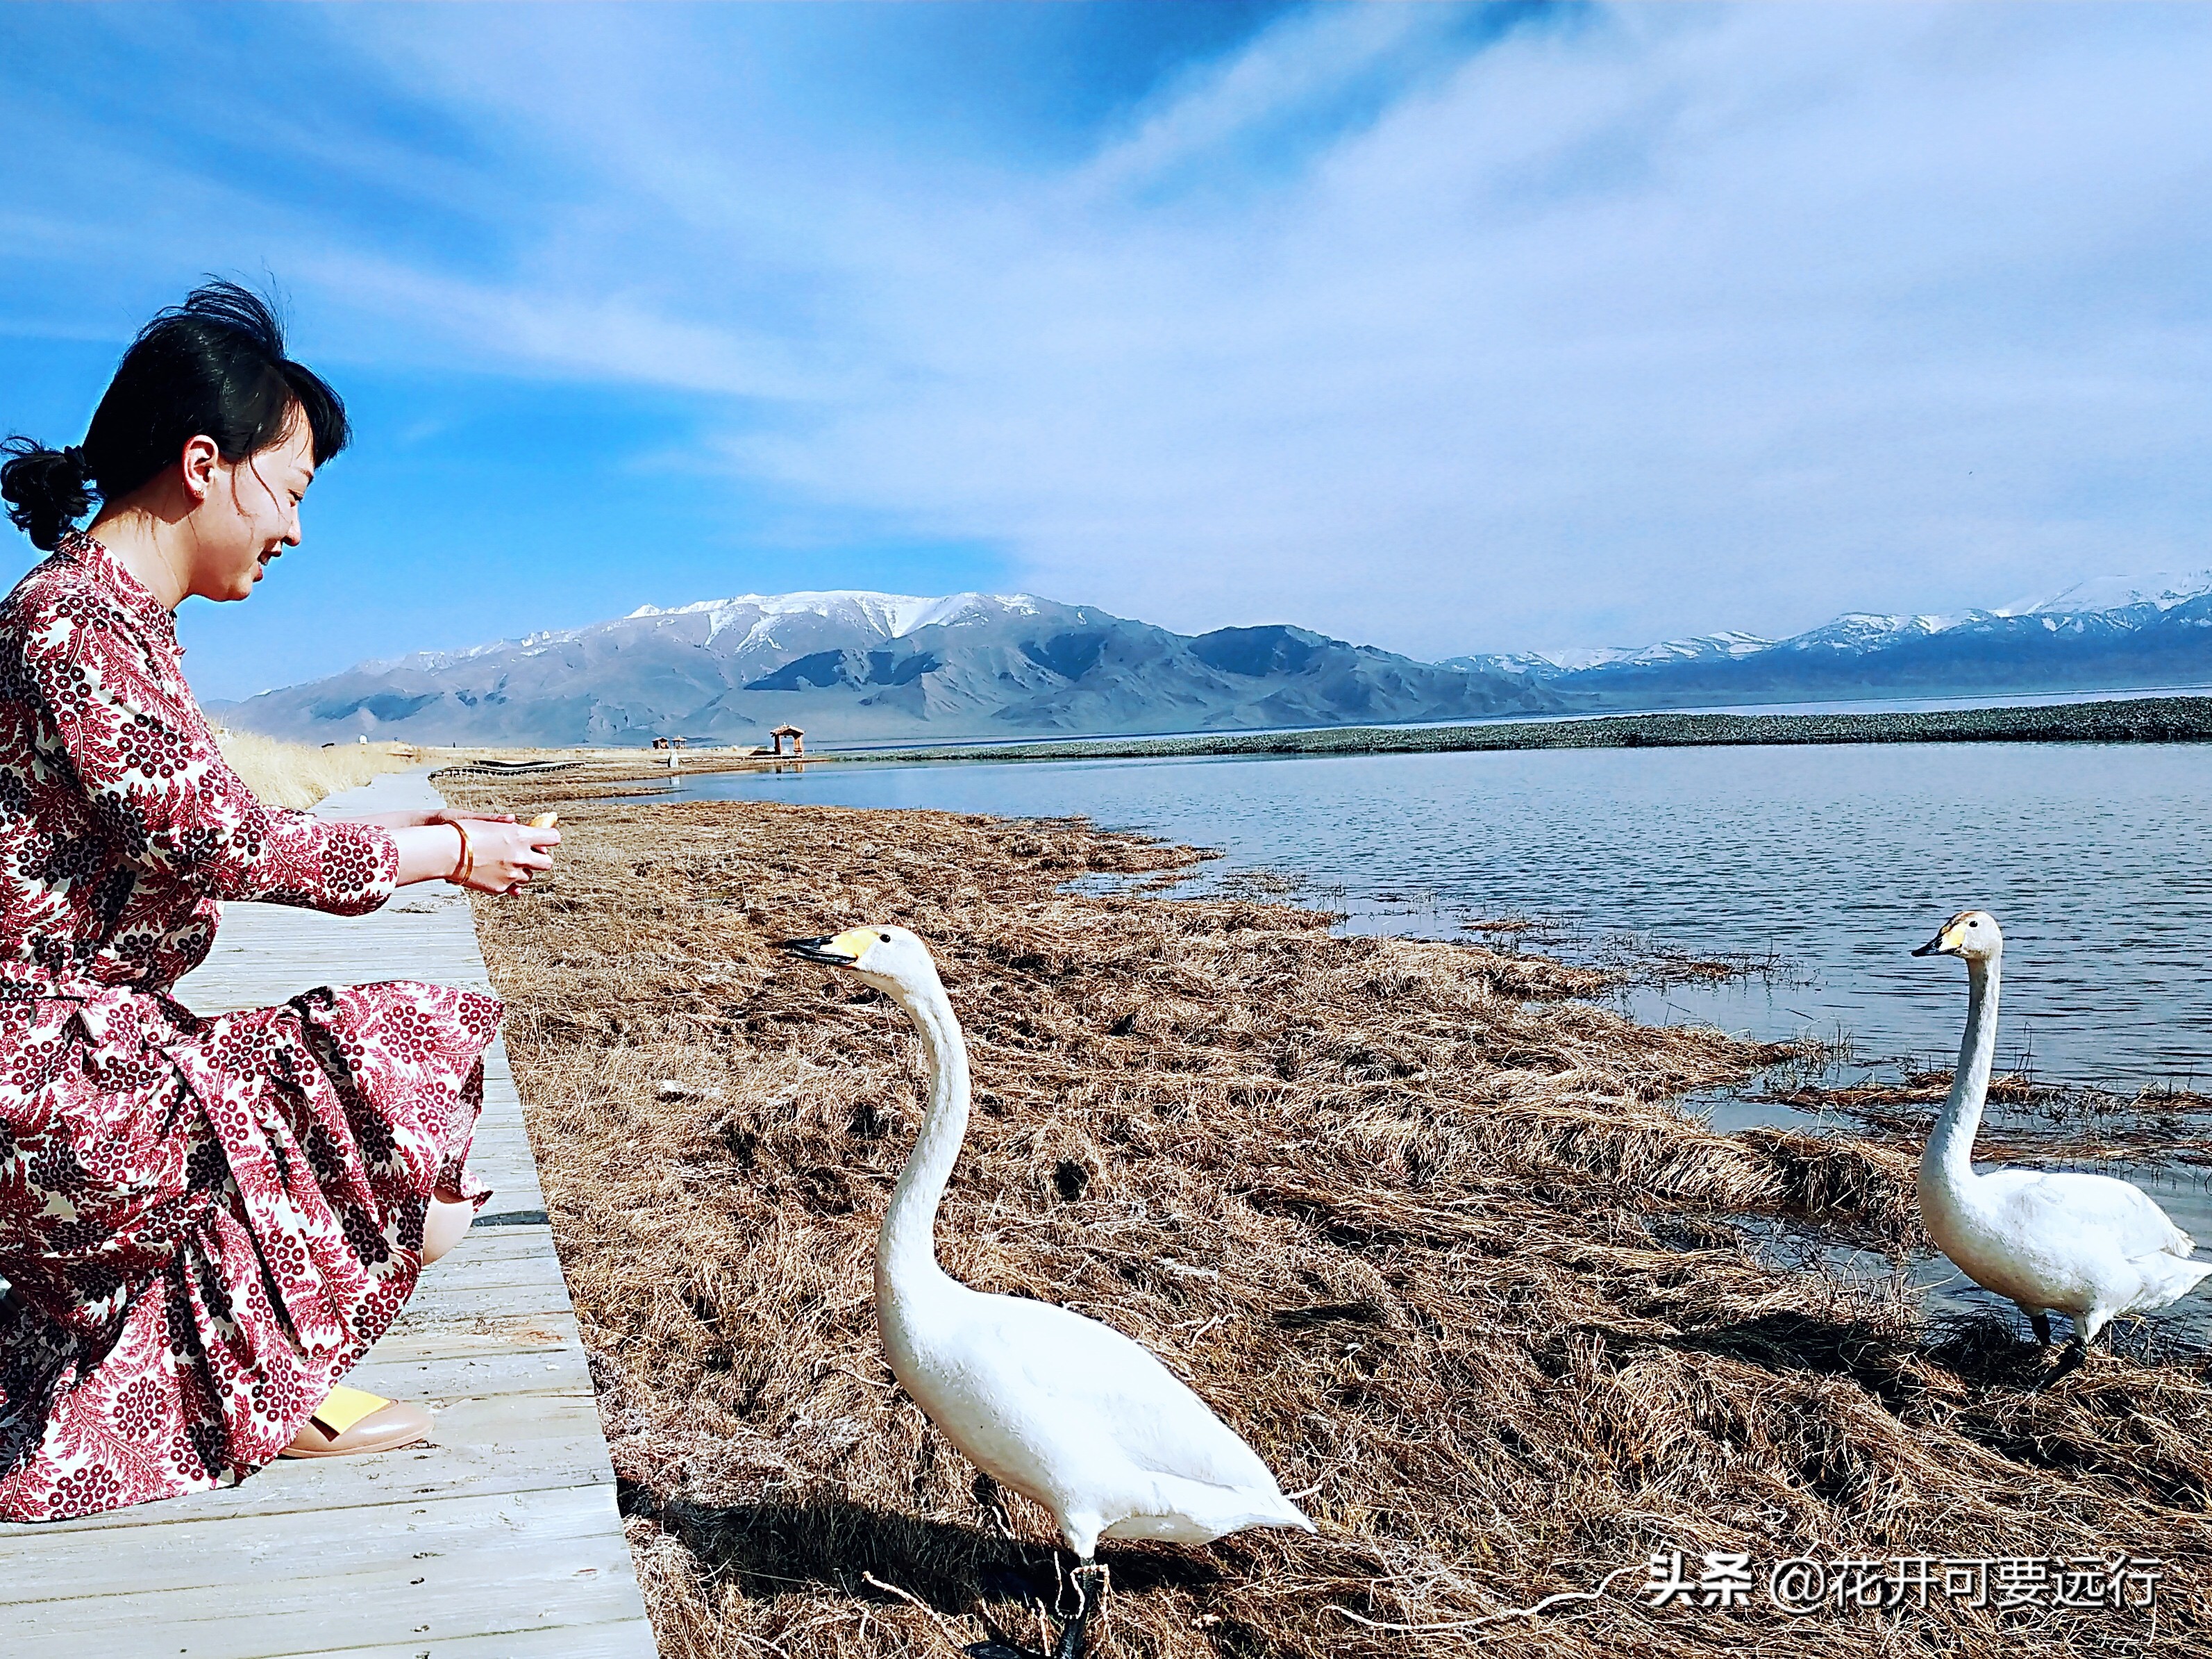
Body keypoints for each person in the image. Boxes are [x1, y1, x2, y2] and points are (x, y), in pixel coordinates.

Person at [0, 281, 559, 1522]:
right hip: (44, 1082)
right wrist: (446, 849)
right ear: (206, 464)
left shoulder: (116, 625)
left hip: (86, 1054)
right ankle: (265, 1380)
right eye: (292, 490)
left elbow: (209, 821)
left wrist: (407, 834)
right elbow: (223, 841)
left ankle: (261, 1372)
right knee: (394, 1071)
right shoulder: (69, 627)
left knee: (390, 1173)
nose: (297, 531)